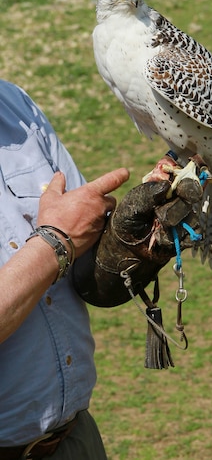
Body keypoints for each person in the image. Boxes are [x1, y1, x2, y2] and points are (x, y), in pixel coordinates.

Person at [0, 78, 130, 459]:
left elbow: (84, 255)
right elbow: (64, 238)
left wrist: (137, 240)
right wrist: (55, 242)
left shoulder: (13, 104)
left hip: (74, 439)